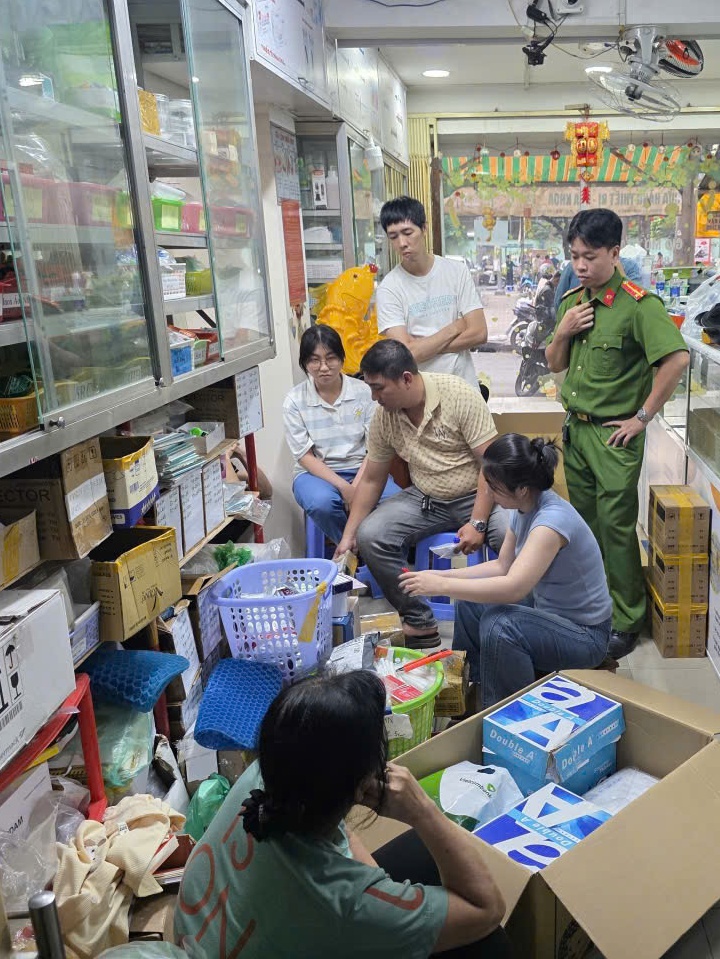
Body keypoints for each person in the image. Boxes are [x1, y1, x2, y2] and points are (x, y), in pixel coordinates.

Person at [174, 670, 511, 959]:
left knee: (422, 853)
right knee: (485, 941)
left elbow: (342, 843)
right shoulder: (343, 903)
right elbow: (488, 909)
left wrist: (384, 903)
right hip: (301, 917)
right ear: (360, 783)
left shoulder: (272, 776)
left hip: (203, 936)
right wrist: (424, 811)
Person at [545, 208, 689, 659]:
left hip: (614, 437)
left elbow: (677, 359)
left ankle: (627, 617)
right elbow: (553, 364)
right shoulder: (571, 304)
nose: (581, 265)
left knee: (616, 527)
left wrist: (642, 417)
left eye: (590, 256)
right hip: (577, 431)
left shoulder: (637, 305)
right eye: (574, 256)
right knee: (584, 527)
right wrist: (563, 332)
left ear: (614, 252)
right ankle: (594, 607)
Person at [400, 434, 612, 709]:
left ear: (521, 488)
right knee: (471, 603)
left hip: (585, 635)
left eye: (493, 487)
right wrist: (439, 578)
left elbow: (513, 587)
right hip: (549, 612)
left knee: (500, 624)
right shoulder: (524, 507)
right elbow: (502, 566)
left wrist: (439, 586)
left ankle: (504, 711)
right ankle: (468, 688)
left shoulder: (550, 522)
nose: (487, 493)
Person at [334, 339, 507, 649]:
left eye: (379, 388)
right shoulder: (386, 416)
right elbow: (372, 479)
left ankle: (516, 626)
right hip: (427, 499)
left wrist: (478, 522)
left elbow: (491, 465)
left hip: (479, 494)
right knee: (372, 534)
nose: (374, 398)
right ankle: (419, 622)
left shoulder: (458, 395)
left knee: (511, 535)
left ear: (407, 379)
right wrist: (348, 537)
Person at [283, 325, 400, 546]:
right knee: (322, 503)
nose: (324, 367)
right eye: (314, 360)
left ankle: (370, 550)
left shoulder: (365, 392)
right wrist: (345, 488)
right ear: (305, 363)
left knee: (395, 503)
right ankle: (351, 549)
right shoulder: (294, 400)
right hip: (316, 476)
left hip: (365, 470)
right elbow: (305, 456)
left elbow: (375, 447)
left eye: (331, 358)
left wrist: (357, 486)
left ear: (342, 358)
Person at [376, 196, 487, 389]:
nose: (402, 243)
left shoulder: (456, 271)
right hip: (420, 394)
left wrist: (423, 345)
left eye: (408, 232)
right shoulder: (389, 288)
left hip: (464, 388)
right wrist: (454, 328)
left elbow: (479, 333)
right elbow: (406, 354)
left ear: (424, 229)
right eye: (393, 237)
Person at [553, 254, 643, 312]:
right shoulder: (572, 267)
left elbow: (639, 304)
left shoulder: (629, 266)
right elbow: (559, 303)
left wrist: (621, 275)